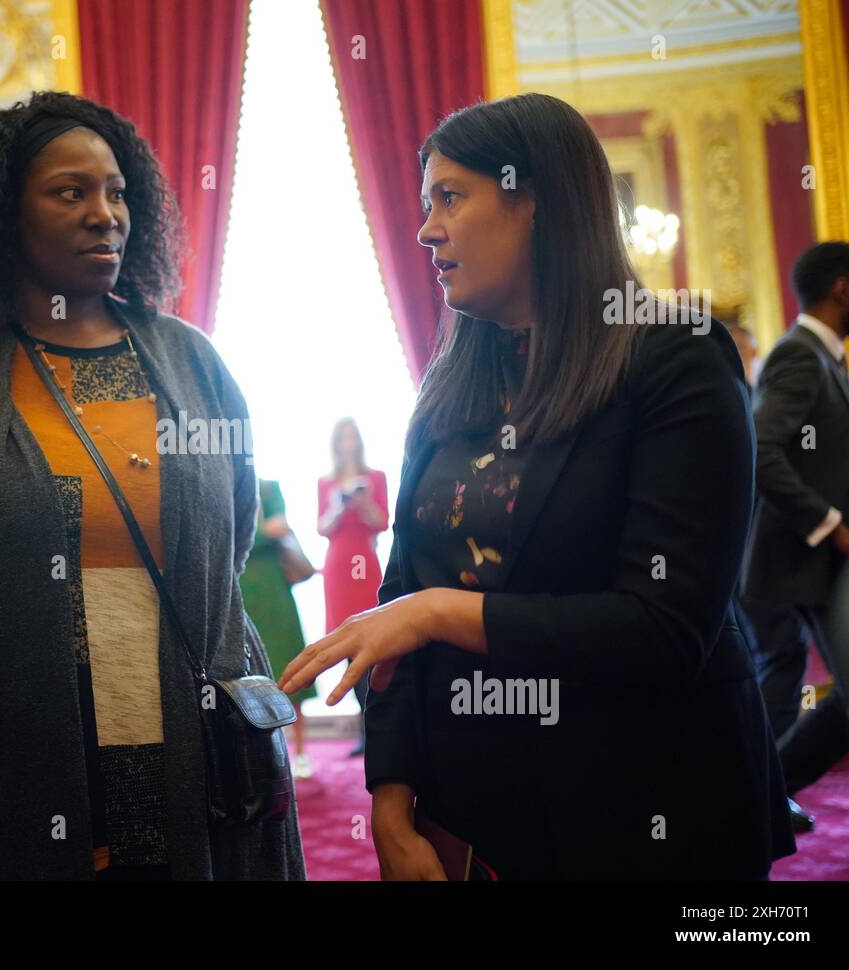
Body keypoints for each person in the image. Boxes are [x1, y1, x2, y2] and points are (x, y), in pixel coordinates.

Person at [281, 92, 794, 880]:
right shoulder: (452, 382)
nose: (425, 229)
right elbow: (399, 598)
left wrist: (438, 613)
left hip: (645, 813)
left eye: (450, 197)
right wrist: (389, 801)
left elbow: (662, 632)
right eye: (424, 204)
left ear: (537, 202)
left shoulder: (674, 358)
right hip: (471, 815)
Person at [0, 91, 305, 880]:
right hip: (2, 760)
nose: (105, 214)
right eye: (70, 192)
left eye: (117, 193)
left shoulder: (195, 365)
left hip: (197, 759)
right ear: (3, 212)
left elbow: (227, 542)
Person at [741, 242, 849, 815]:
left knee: (844, 695)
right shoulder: (800, 355)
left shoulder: (824, 355)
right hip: (802, 560)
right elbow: (759, 449)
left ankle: (757, 801)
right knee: (804, 680)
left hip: (816, 563)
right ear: (844, 287)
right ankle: (753, 802)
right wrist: (831, 524)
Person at [317, 418, 389, 753]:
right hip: (338, 566)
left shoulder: (376, 478)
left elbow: (382, 523)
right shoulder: (326, 482)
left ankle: (381, 722)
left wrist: (365, 502)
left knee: (375, 636)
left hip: (365, 561)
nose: (348, 442)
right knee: (346, 641)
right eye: (342, 436)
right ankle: (365, 727)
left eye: (352, 436)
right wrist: (337, 504)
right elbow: (322, 528)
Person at [240, 480, 316, 777]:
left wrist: (259, 533)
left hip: (275, 588)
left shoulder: (269, 488)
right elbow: (238, 537)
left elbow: (279, 526)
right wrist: (263, 532)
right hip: (242, 588)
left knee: (290, 663)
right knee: (249, 674)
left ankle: (300, 752)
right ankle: (265, 754)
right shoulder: (232, 485)